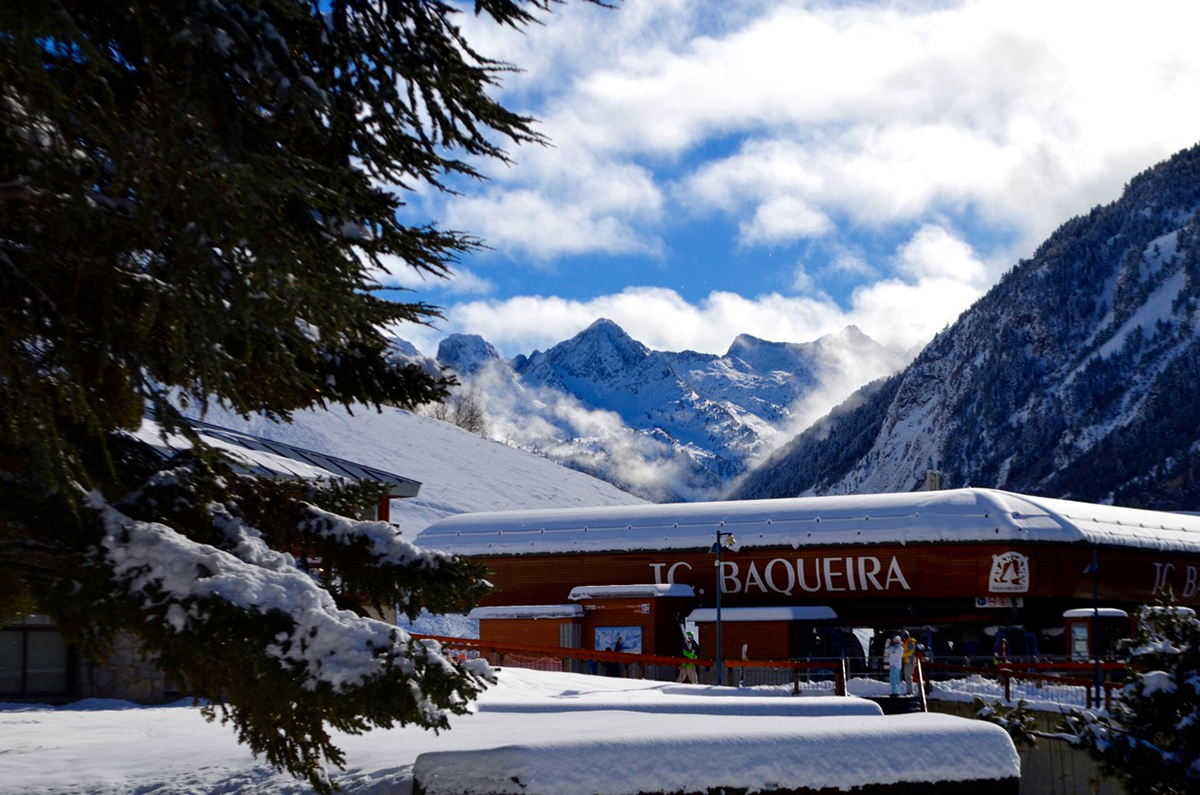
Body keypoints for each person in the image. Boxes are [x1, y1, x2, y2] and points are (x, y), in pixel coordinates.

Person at [900, 630, 918, 695]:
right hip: (907, 661)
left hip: (910, 662)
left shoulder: (910, 643)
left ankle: (910, 692)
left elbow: (910, 652)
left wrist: (902, 654)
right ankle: (909, 691)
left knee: (908, 677)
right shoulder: (906, 643)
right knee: (907, 677)